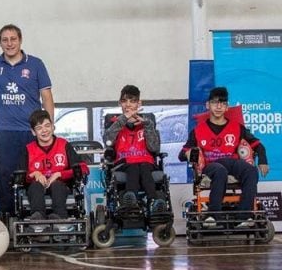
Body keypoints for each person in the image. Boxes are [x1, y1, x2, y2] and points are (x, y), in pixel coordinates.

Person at [0, 24, 55, 220]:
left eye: (13, 39)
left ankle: (34, 216)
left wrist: (49, 127)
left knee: (33, 174)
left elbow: (46, 97)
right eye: (5, 40)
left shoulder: (36, 64)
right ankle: (7, 218)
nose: (9, 43)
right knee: (5, 177)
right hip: (4, 132)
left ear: (20, 40)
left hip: (30, 132)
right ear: (0, 43)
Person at [178, 87, 269, 228]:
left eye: (222, 103)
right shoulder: (197, 131)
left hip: (232, 162)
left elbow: (258, 145)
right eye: (215, 103)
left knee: (250, 170)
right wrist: (188, 153)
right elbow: (181, 154)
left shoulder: (237, 128)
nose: (218, 106)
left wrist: (263, 160)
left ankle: (243, 217)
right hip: (211, 165)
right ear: (208, 105)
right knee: (220, 170)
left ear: (227, 107)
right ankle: (213, 215)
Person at [103, 85, 167, 213]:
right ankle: (131, 200)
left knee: (142, 166)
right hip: (124, 162)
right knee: (133, 166)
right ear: (120, 103)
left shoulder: (148, 124)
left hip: (145, 162)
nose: (128, 105)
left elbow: (154, 148)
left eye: (132, 101)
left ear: (139, 103)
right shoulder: (115, 123)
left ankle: (153, 202)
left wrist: (148, 126)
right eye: (125, 101)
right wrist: (123, 120)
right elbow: (107, 141)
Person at [22, 110, 87, 231]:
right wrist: (34, 174)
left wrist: (59, 174)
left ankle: (60, 217)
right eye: (39, 128)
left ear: (53, 127)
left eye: (47, 126)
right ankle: (38, 218)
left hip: (61, 187)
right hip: (36, 188)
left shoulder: (64, 145)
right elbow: (20, 176)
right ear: (33, 132)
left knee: (57, 185)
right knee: (36, 185)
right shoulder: (29, 149)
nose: (44, 130)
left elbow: (83, 168)